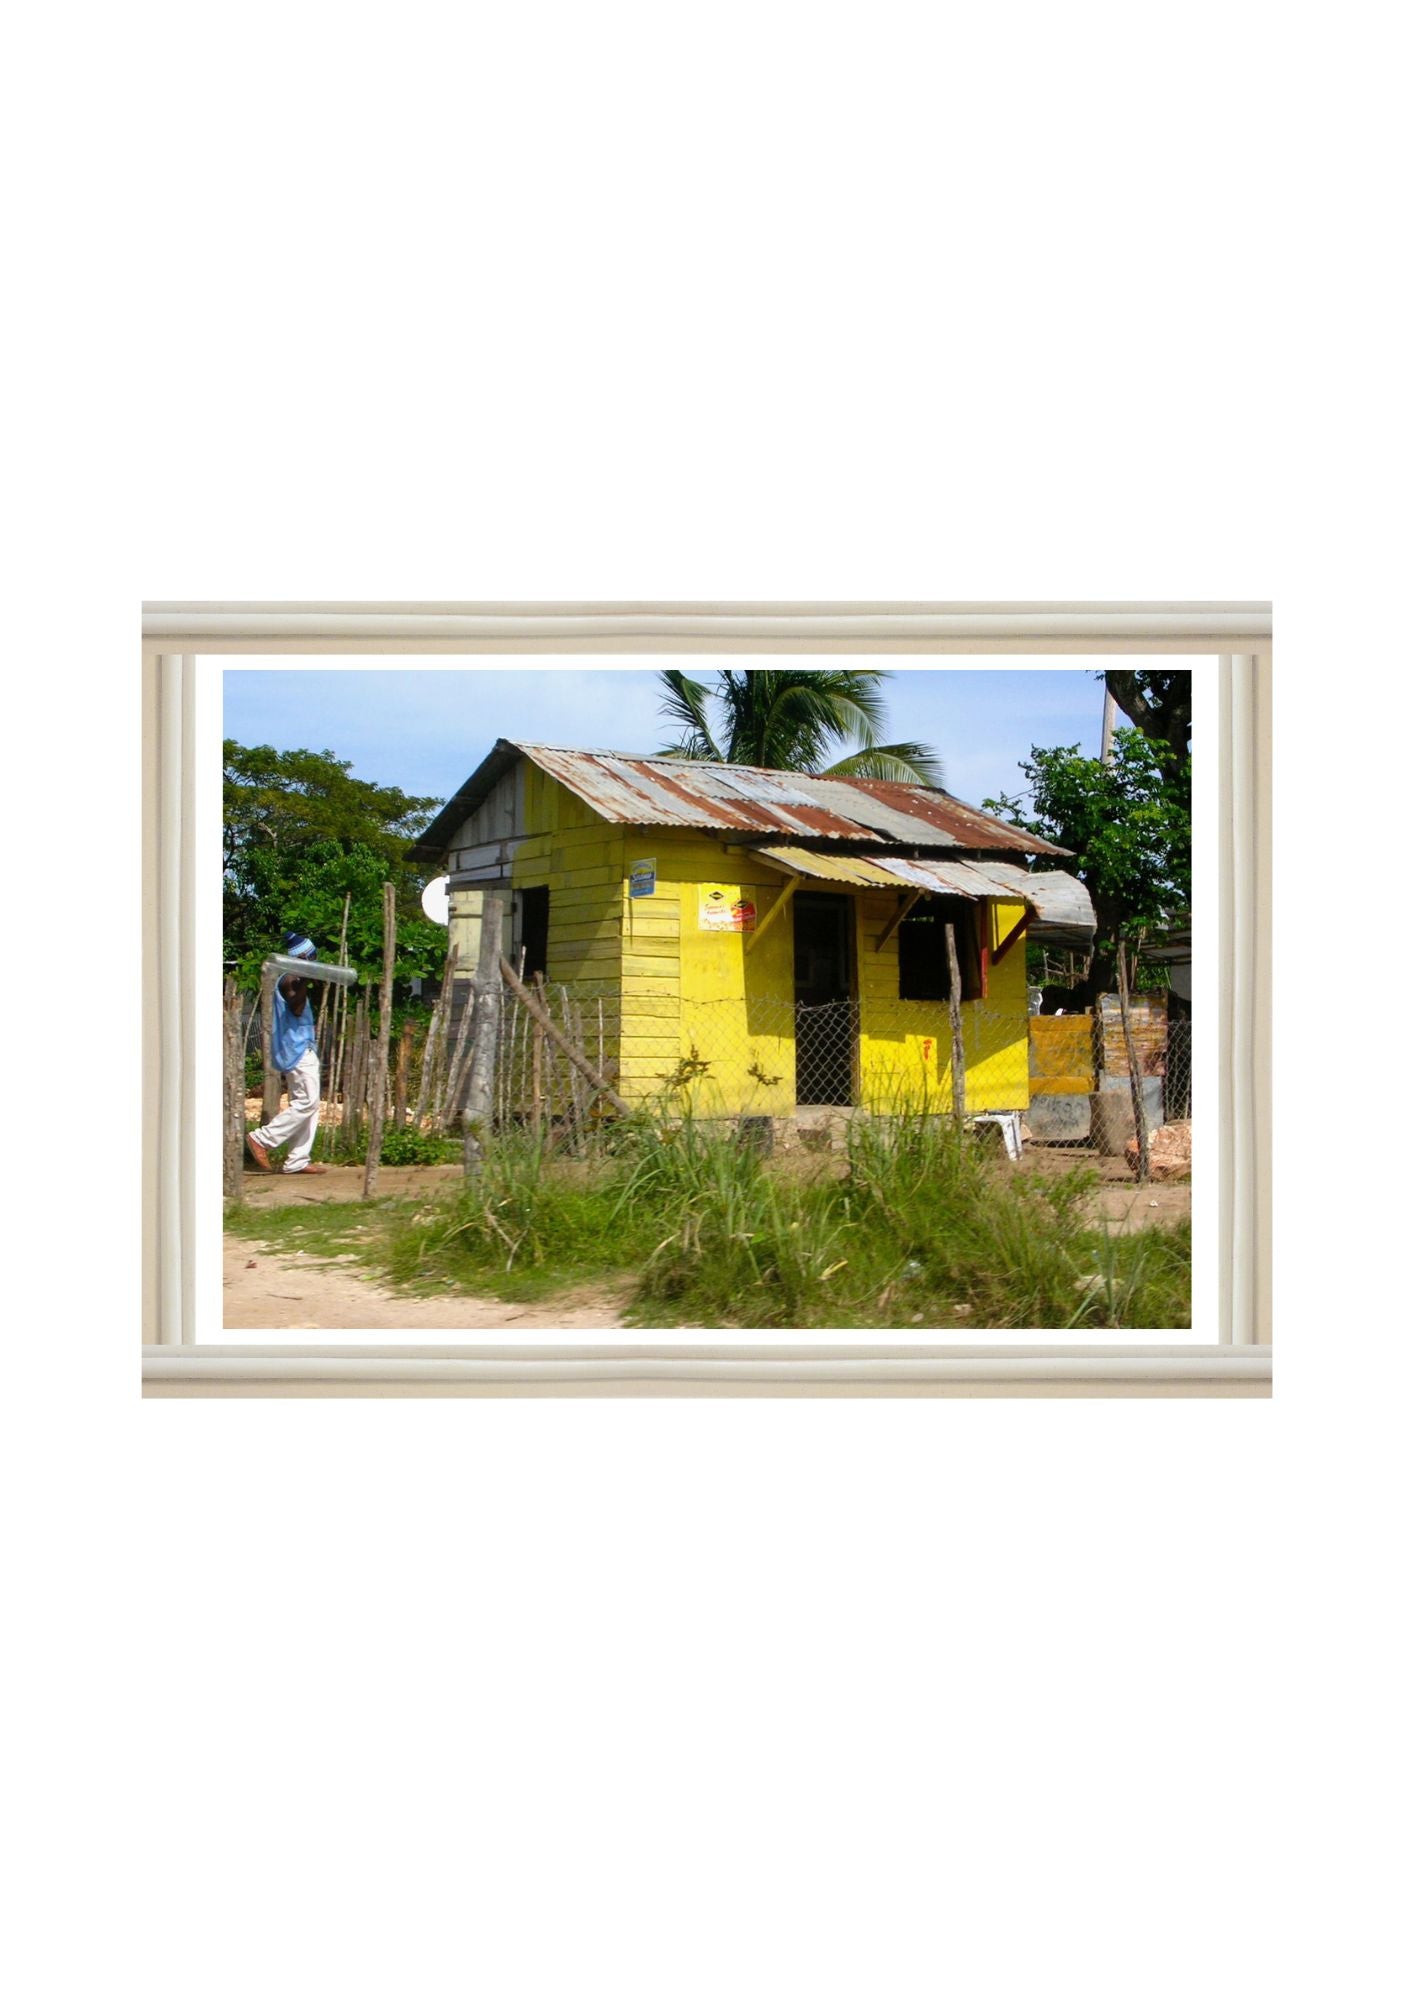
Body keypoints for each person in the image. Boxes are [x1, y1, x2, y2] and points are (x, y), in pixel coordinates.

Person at [245, 932, 328, 1175]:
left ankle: (297, 1160)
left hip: (299, 1048)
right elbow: (296, 1005)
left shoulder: (293, 978)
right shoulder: (290, 978)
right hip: (298, 1050)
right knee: (308, 1102)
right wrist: (305, 978)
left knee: (307, 1104)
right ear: (303, 958)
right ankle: (262, 1138)